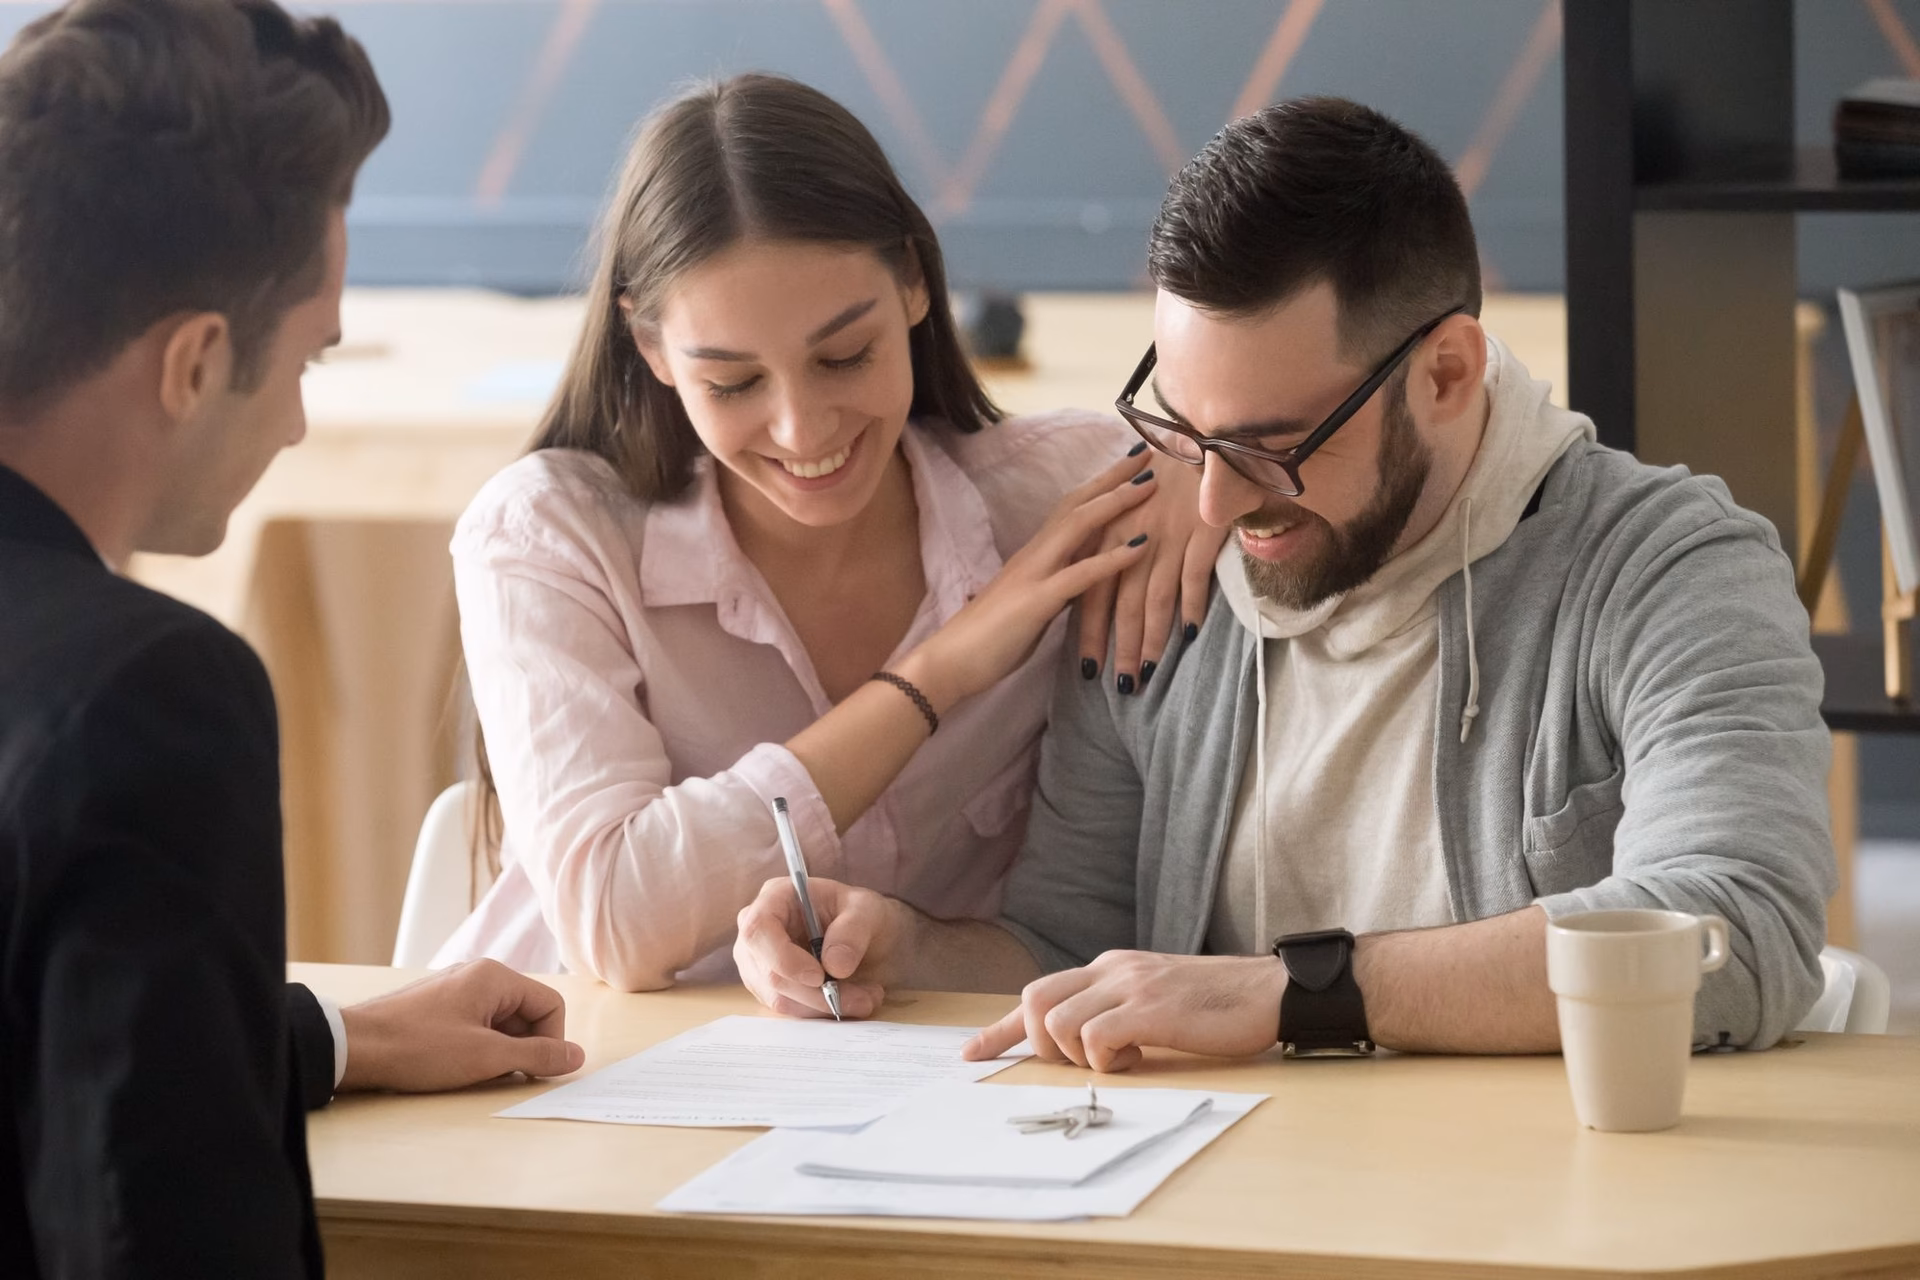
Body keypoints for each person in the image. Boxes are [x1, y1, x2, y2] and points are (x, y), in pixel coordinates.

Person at [733, 96, 1836, 1067]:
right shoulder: (1162, 583)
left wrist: (1292, 992)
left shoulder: (1669, 568)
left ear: (1446, 373)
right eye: (1185, 431)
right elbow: (1076, 943)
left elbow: (1737, 929)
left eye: (1269, 445)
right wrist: (909, 944)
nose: (1211, 506)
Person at [0, 3, 582, 1275]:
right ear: (196, 363)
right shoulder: (144, 692)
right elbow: (158, 1228)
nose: (301, 428)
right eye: (310, 358)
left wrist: (328, 1033)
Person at [435, 74, 1223, 989]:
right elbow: (615, 923)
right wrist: (937, 674)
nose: (803, 431)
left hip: (944, 1089)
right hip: (587, 1081)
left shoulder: (1068, 501)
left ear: (916, 287)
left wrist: (1197, 461)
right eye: (732, 383)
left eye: (846, 356)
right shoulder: (548, 535)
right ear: (651, 350)